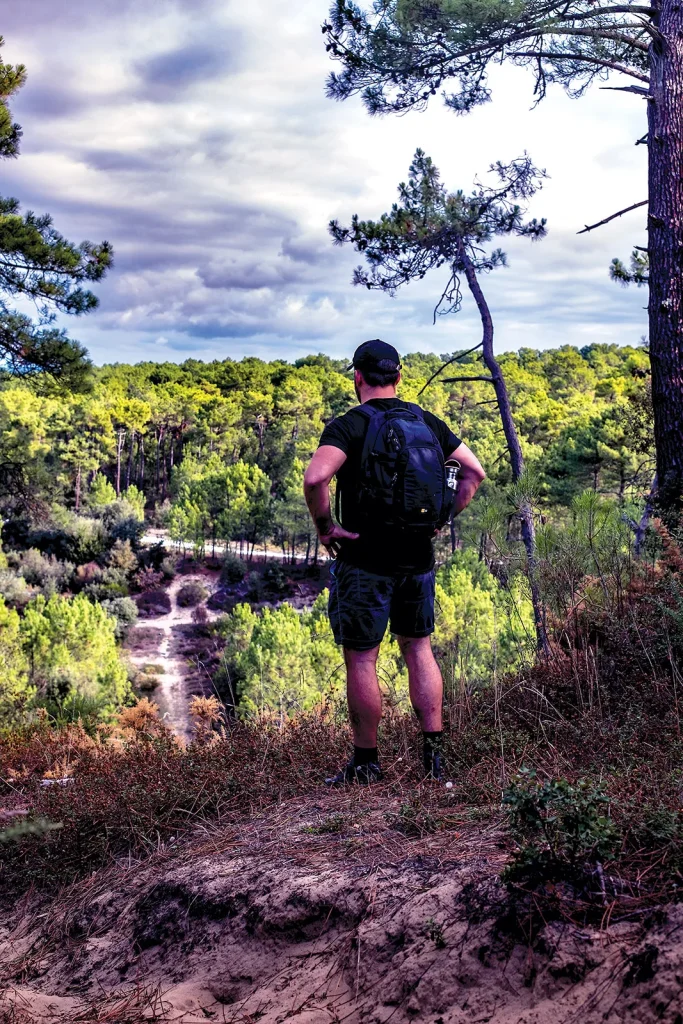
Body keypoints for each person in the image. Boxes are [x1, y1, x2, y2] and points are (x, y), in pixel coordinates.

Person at [303, 339, 486, 785]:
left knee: (363, 660)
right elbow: (474, 472)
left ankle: (366, 763)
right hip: (418, 560)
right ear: (399, 377)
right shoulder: (426, 421)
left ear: (358, 378)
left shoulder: (350, 425)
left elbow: (315, 477)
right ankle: (434, 758)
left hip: (365, 561)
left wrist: (326, 527)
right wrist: (443, 517)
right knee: (418, 649)